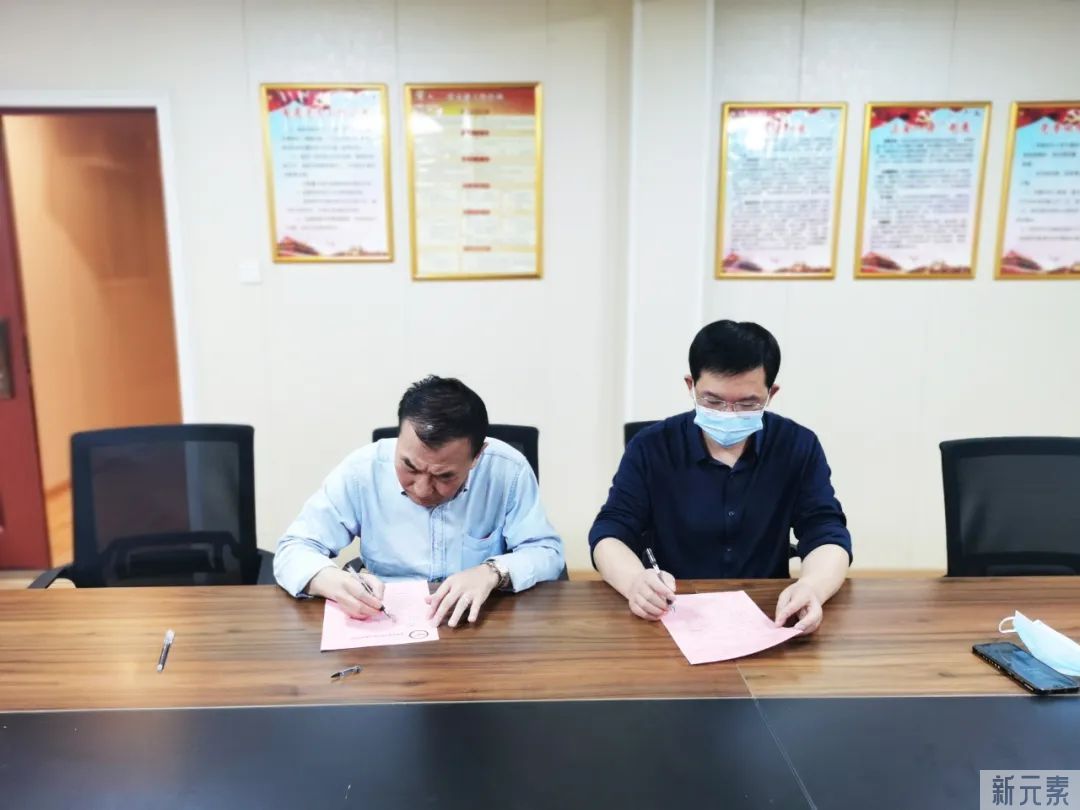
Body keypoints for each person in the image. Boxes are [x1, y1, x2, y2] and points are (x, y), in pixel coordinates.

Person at [589, 320, 851, 633]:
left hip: (766, 614)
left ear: (771, 393)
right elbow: (610, 531)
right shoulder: (651, 447)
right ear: (691, 385)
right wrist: (635, 582)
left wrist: (812, 586)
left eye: (747, 403)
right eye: (713, 401)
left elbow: (825, 530)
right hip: (671, 612)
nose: (728, 413)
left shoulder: (797, 445)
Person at [275, 375, 565, 627]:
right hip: (387, 626)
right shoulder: (362, 471)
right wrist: (327, 579)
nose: (423, 489)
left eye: (444, 476)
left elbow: (547, 553)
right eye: (410, 467)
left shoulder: (507, 471)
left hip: (478, 623)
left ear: (477, 456)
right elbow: (294, 548)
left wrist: (492, 572)